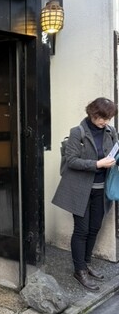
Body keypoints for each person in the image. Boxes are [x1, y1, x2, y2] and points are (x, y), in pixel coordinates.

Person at [52, 97, 118, 290]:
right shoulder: (78, 132)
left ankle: (87, 263)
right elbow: (71, 160)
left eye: (108, 118)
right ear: (92, 113)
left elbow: (115, 154)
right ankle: (79, 270)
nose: (105, 121)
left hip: (101, 190)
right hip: (80, 190)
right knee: (81, 230)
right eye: (102, 117)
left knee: (94, 227)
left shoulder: (110, 131)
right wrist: (98, 164)